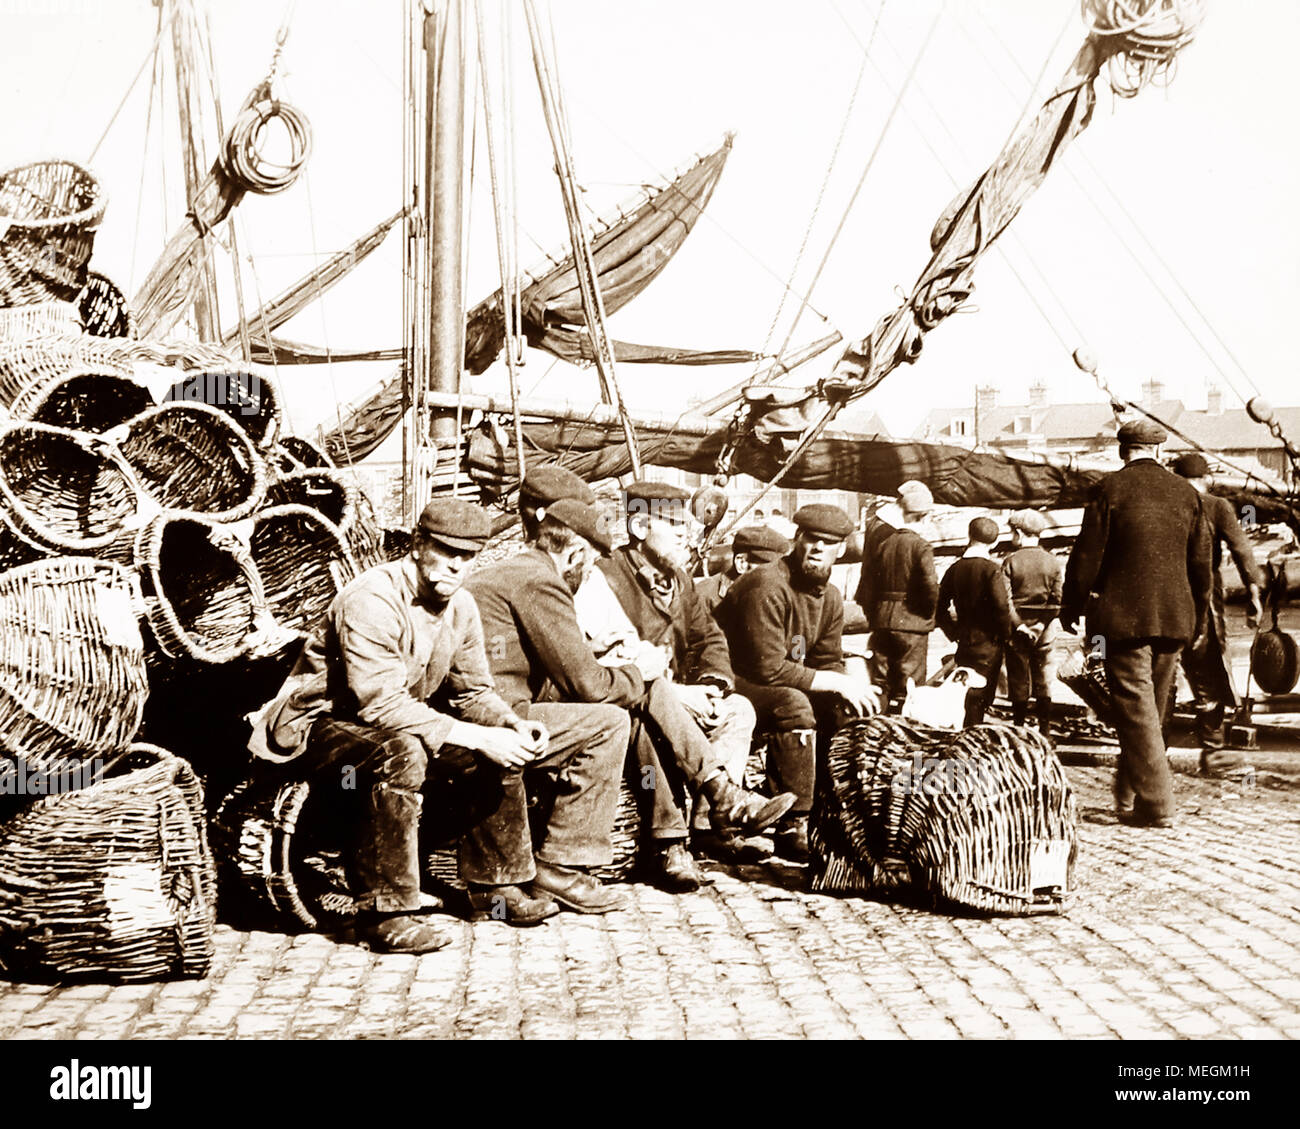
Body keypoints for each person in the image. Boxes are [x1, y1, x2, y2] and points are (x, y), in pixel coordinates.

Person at [247, 499, 569, 954]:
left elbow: (472, 692)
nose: (457, 565)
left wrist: (510, 725)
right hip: (319, 726)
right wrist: (477, 735)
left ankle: (496, 888)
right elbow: (378, 702)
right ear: (418, 545)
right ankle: (386, 913)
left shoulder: (461, 607)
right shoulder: (372, 597)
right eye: (446, 551)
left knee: (502, 747)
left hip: (392, 722)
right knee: (404, 751)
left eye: (467, 556)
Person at [469, 496, 792, 896]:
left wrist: (701, 680)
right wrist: (640, 672)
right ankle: (700, 812)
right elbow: (587, 683)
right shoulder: (550, 579)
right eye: (587, 563)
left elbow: (698, 636)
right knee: (627, 711)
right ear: (574, 553)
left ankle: (705, 816)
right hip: (507, 712)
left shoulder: (530, 572)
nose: (589, 572)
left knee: (677, 701)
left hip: (527, 694)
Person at [575, 483, 786, 881]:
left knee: (739, 710)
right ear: (639, 527)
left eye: (685, 524)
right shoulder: (604, 577)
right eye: (672, 524)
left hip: (679, 691)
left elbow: (709, 636)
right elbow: (606, 654)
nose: (685, 534)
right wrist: (680, 691)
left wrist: (713, 685)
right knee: (651, 719)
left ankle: (712, 825)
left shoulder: (681, 581)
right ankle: (670, 842)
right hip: (631, 691)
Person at [1061, 419, 1212, 829]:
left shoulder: (1109, 489)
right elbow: (1201, 564)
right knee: (1150, 712)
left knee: (1138, 712)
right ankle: (1128, 797)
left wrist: (1070, 605)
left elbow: (1086, 556)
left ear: (1121, 450)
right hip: (1176, 617)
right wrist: (1199, 616)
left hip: (1124, 619)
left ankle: (1158, 804)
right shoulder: (1187, 494)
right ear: (1159, 451)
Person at [717, 503, 879, 862]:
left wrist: (849, 686)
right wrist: (832, 681)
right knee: (793, 704)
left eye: (829, 543)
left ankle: (839, 808)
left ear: (840, 550)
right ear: (797, 540)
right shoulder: (766, 585)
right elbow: (767, 668)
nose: (818, 549)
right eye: (811, 539)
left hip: (775, 677)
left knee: (845, 707)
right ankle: (794, 822)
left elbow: (825, 659)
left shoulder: (830, 596)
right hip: (732, 680)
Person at [1170, 452, 1264, 775]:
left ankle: (1152, 755)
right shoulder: (1217, 506)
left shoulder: (1164, 505)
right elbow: (1242, 548)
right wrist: (1253, 590)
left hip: (1163, 606)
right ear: (1206, 479)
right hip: (1204, 609)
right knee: (1209, 677)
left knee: (1162, 677)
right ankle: (1213, 753)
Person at [855, 480, 939, 713]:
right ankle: (904, 736)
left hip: (882, 619)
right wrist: (925, 615)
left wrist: (874, 611)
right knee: (909, 686)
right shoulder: (921, 546)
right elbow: (930, 586)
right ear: (922, 516)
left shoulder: (882, 541)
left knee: (880, 681)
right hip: (912, 623)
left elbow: (868, 579)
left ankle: (877, 728)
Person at [936, 516, 1026, 727]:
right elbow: (1002, 607)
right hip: (989, 643)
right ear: (994, 543)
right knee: (981, 696)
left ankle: (963, 736)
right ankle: (972, 741)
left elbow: (939, 607)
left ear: (969, 536)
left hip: (964, 641)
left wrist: (954, 632)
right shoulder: (991, 569)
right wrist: (1005, 635)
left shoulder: (954, 568)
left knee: (964, 694)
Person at [1002, 509, 1064, 737]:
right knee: (1043, 679)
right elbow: (1057, 601)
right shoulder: (1053, 562)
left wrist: (1020, 625)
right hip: (1045, 631)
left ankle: (1019, 729)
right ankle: (1045, 731)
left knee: (1019, 679)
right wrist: (1039, 626)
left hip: (1017, 631)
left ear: (1018, 532)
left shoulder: (1010, 561)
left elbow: (1005, 601)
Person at [694, 524, 790, 619]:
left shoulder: (779, 598)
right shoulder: (703, 597)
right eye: (767, 567)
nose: (774, 573)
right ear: (741, 563)